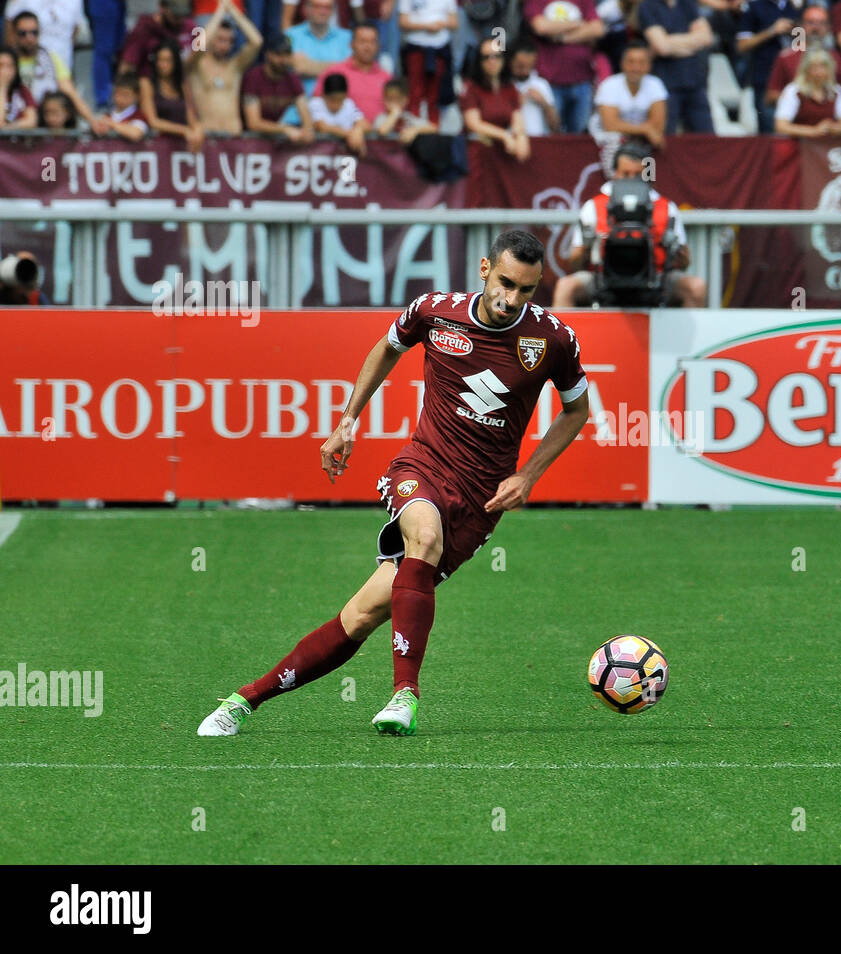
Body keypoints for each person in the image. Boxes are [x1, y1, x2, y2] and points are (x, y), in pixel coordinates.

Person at [198, 230, 591, 738]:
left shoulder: (553, 339)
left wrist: (528, 475)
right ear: (483, 268)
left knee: (359, 618)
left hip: (481, 499)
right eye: (505, 282)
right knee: (423, 537)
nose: (511, 299)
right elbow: (387, 348)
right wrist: (347, 419)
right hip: (423, 465)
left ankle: (243, 700)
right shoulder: (434, 310)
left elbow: (576, 409)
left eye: (526, 290)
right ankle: (405, 694)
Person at [553, 144, 706, 307]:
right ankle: (560, 333)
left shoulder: (666, 207)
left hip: (656, 279)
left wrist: (681, 255)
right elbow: (575, 263)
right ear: (615, 173)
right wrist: (586, 248)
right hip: (603, 278)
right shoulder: (594, 206)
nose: (631, 179)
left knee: (695, 287)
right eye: (626, 174)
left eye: (638, 175)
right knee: (566, 287)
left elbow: (683, 265)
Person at [525, 0, 605, 134]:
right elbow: (541, 27)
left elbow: (598, 29)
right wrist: (579, 23)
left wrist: (560, 38)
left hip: (583, 78)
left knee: (580, 136)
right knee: (552, 133)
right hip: (549, 79)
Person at [188, 0, 264, 134]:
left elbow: (257, 42)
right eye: (221, 40)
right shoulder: (197, 67)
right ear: (211, 38)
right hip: (209, 138)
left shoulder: (234, 66)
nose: (225, 46)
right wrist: (220, 12)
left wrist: (233, 10)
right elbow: (198, 46)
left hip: (234, 137)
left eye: (229, 41)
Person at [639, 0, 715, 133]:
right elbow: (662, 47)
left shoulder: (687, 3)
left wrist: (670, 42)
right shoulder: (648, 6)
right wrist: (693, 42)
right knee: (666, 136)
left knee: (706, 138)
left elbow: (707, 38)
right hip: (666, 84)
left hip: (695, 81)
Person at [10, 10, 96, 128]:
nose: (29, 38)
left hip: (45, 125)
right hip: (14, 125)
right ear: (14, 34)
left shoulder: (51, 58)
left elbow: (70, 92)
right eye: (23, 33)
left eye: (34, 32)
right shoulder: (6, 60)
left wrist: (93, 121)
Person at [768, 4, 841, 112]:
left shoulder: (836, 57)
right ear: (801, 26)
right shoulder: (786, 58)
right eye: (810, 22)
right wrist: (805, 103)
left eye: (822, 23)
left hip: (828, 120)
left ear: (829, 27)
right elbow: (771, 96)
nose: (816, 28)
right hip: (795, 119)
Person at [459, 35, 529, 162]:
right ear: (479, 61)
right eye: (486, 57)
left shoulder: (509, 87)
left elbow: (517, 118)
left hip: (502, 155)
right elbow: (473, 124)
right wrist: (504, 135)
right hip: (475, 153)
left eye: (496, 56)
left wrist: (520, 136)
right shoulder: (471, 87)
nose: (492, 61)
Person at [589, 40, 668, 150]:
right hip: (606, 142)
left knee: (652, 152)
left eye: (642, 62)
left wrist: (646, 131)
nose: (636, 68)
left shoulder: (655, 84)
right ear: (622, 63)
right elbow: (610, 125)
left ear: (649, 65)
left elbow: (658, 126)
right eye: (631, 62)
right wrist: (646, 129)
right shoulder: (609, 85)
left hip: (642, 142)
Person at [735, 0, 797, 134]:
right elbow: (742, 45)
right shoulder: (754, 7)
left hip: (794, 79)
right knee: (769, 130)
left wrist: (796, 32)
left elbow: (801, 45)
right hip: (765, 78)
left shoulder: (792, 6)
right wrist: (772, 31)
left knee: (797, 128)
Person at [242, 32, 315, 140]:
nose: (284, 60)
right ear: (268, 54)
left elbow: (305, 114)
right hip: (244, 139)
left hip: (270, 137)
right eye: (279, 55)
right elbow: (253, 123)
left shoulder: (292, 79)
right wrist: (285, 129)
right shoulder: (254, 77)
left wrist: (307, 132)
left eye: (287, 54)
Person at [316, 20, 392, 121]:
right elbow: (317, 107)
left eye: (372, 42)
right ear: (352, 44)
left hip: (380, 135)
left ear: (378, 46)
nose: (367, 47)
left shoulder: (386, 78)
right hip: (342, 135)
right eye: (362, 41)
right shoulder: (334, 73)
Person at [140, 39, 204, 151]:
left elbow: (191, 115)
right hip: (157, 146)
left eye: (168, 60)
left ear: (175, 62)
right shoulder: (147, 83)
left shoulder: (182, 84)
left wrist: (197, 129)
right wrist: (184, 130)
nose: (163, 65)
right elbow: (153, 121)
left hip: (181, 148)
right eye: (160, 60)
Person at [398, 0, 456, 123]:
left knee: (436, 94)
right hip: (416, 47)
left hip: (440, 48)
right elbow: (402, 22)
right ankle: (414, 128)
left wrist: (441, 24)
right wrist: (426, 26)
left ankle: (434, 129)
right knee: (415, 91)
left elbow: (454, 22)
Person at [774, 46, 841, 137]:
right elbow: (781, 126)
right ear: (806, 70)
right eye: (814, 67)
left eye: (823, 67)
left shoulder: (835, 90)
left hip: (825, 144)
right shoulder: (794, 90)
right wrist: (813, 131)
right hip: (799, 145)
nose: (819, 72)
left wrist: (833, 128)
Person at [287, 0, 353, 99]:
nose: (322, 11)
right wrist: (337, 66)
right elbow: (296, 67)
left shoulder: (347, 37)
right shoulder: (292, 35)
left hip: (337, 106)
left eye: (328, 7)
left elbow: (351, 71)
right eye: (317, 6)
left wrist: (309, 66)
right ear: (306, 9)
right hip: (300, 104)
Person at [119, 0, 198, 82]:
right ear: (162, 7)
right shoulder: (145, 29)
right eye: (176, 15)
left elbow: (202, 51)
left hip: (182, 83)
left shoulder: (189, 26)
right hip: (151, 84)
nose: (180, 20)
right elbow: (127, 64)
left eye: (183, 14)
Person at [510, 41, 561, 136]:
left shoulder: (541, 84)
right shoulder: (505, 85)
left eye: (530, 67)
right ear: (510, 62)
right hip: (512, 142)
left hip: (539, 141)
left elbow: (556, 127)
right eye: (520, 67)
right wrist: (515, 104)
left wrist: (544, 104)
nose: (525, 71)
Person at [310, 71, 369, 152]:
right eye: (332, 99)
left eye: (340, 100)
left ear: (345, 96)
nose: (336, 104)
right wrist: (351, 135)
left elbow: (365, 124)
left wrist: (358, 130)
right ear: (323, 95)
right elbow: (321, 127)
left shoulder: (349, 103)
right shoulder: (315, 103)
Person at [94, 73, 150, 141]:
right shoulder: (107, 115)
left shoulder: (139, 116)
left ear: (136, 96)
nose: (121, 98)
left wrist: (112, 124)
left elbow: (135, 134)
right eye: (118, 93)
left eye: (125, 94)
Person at [0, 47, 36, 129]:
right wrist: (2, 88)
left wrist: (8, 127)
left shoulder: (23, 90)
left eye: (9, 66)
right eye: (1, 65)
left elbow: (31, 121)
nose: (5, 70)